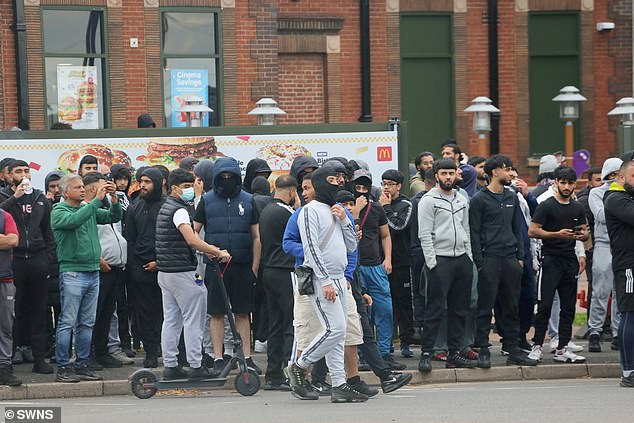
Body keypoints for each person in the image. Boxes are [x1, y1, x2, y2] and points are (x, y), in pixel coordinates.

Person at [286, 165, 367, 403]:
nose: (339, 183)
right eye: (334, 179)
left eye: (341, 178)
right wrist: (325, 280)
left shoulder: (337, 210)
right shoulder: (309, 211)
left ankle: (340, 385)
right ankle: (299, 366)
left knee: (338, 335)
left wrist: (345, 221)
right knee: (336, 329)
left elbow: (352, 246)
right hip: (324, 279)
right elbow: (311, 249)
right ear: (323, 182)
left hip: (340, 277)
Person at [155, 168, 230, 380]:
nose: (189, 190)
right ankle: (196, 365)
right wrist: (216, 251)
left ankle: (170, 365)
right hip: (183, 272)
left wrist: (205, 247)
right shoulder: (179, 210)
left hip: (166, 272)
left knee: (171, 320)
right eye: (186, 187)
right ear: (174, 188)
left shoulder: (165, 207)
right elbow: (191, 239)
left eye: (191, 186)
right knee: (193, 320)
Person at [193, 157, 262, 375]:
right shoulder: (207, 200)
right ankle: (218, 357)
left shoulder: (249, 200)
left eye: (230, 176)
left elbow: (256, 237)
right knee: (216, 313)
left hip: (242, 265)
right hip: (216, 267)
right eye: (222, 176)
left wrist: (255, 267)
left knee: (243, 313)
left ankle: (246, 357)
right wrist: (210, 253)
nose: (226, 180)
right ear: (215, 178)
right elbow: (194, 232)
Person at [51, 174, 122, 382]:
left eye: (83, 187)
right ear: (65, 192)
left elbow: (112, 217)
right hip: (73, 271)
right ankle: (63, 366)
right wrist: (96, 201)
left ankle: (82, 363)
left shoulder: (87, 209)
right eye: (77, 187)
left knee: (87, 322)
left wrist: (114, 200)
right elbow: (75, 220)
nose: (82, 190)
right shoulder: (59, 211)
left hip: (92, 271)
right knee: (67, 322)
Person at [469, 155, 537, 367]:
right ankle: (483, 350)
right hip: (489, 259)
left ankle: (513, 349)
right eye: (506, 170)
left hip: (510, 259)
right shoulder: (479, 199)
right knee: (485, 306)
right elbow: (474, 232)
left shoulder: (512, 197)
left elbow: (518, 228)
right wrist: (479, 262)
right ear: (495, 172)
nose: (510, 174)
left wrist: (520, 257)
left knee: (511, 305)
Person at [418, 159, 476, 372]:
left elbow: (466, 228)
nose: (448, 177)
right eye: (444, 173)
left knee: (459, 309)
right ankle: (426, 353)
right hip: (440, 260)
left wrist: (468, 257)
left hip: (461, 259)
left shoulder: (462, 198)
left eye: (451, 173)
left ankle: (454, 353)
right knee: (434, 309)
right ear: (437, 176)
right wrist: (432, 263)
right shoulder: (428, 200)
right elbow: (424, 234)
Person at [528, 166, 588, 363]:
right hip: (550, 259)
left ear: (574, 185)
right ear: (556, 183)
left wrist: (581, 236)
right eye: (563, 182)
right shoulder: (547, 205)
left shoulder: (578, 207)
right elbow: (533, 230)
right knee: (544, 305)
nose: (566, 187)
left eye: (570, 183)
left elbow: (585, 232)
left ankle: (563, 348)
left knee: (568, 307)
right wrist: (556, 234)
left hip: (569, 259)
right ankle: (537, 345)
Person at [0, 160, 55, 374]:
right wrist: (15, 198)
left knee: (39, 310)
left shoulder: (41, 199)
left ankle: (39, 359)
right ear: (8, 176)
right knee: (12, 312)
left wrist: (47, 258)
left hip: (37, 260)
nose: (23, 175)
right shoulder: (6, 198)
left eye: (26, 171)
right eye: (18, 171)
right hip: (14, 262)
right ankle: (8, 359)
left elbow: (48, 232)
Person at [351, 169, 403, 370]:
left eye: (365, 187)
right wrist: (355, 211)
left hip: (375, 266)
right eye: (358, 187)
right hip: (355, 268)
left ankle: (385, 354)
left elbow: (385, 235)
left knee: (384, 310)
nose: (362, 192)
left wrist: (387, 259)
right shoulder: (344, 208)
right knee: (362, 314)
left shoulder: (376, 209)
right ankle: (364, 355)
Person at [258, 175, 299, 390]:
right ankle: (286, 370)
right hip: (286, 270)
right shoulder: (287, 212)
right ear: (292, 192)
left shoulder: (266, 211)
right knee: (291, 323)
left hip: (269, 270)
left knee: (275, 324)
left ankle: (272, 374)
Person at [124, 168, 166, 367]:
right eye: (141, 181)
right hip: (141, 268)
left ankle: (168, 350)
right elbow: (130, 239)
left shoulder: (169, 206)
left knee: (167, 313)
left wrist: (160, 262)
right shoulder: (135, 206)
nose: (143, 185)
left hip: (166, 268)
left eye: (148, 182)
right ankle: (150, 351)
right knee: (146, 314)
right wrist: (135, 266)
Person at [604, 159, 634, 387]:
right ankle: (629, 371)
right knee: (630, 314)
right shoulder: (615, 199)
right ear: (621, 178)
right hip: (628, 265)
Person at [587, 158, 623, 352]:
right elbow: (600, 216)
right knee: (600, 290)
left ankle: (618, 332)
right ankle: (594, 330)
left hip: (622, 246)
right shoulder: (597, 192)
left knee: (620, 291)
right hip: (603, 243)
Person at [379, 169, 415, 358]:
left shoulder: (406, 204)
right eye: (384, 183)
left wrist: (386, 208)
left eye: (390, 184)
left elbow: (399, 226)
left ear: (399, 186)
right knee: (385, 303)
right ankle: (388, 343)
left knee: (403, 302)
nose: (386, 187)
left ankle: (407, 341)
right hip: (382, 262)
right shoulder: (378, 204)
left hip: (402, 262)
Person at [0, 209, 21, 386]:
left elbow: (14, 240)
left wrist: (7, 239)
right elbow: (8, 239)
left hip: (4, 279)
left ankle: (5, 367)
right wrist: (3, 239)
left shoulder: (5, 216)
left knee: (6, 325)